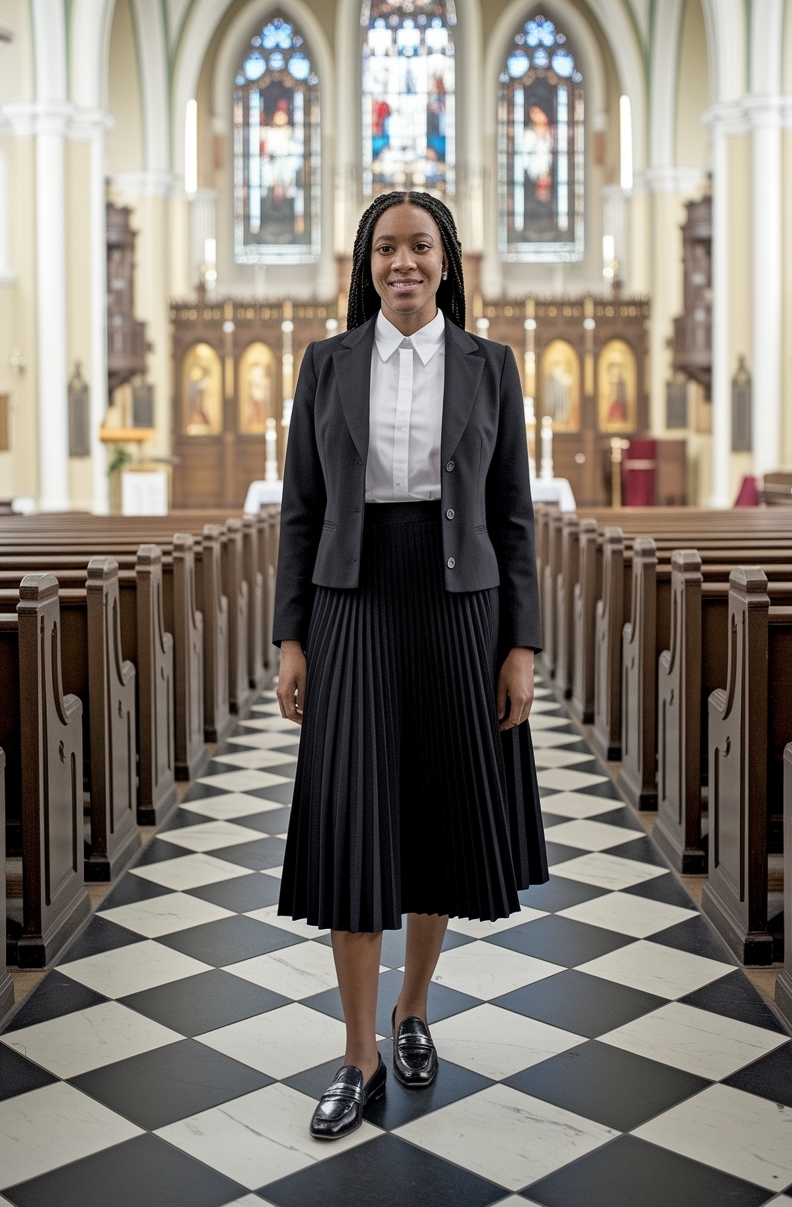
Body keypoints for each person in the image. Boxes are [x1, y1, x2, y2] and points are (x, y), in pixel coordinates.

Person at [273, 189, 548, 1141]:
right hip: (354, 604)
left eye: (419, 247)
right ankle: (355, 1055)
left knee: (435, 818)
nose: (403, 263)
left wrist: (521, 645)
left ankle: (413, 1010)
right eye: (387, 248)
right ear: (365, 262)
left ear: (446, 259)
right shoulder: (327, 363)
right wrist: (291, 636)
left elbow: (514, 514)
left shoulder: (490, 366)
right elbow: (299, 511)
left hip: (458, 610)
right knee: (354, 821)